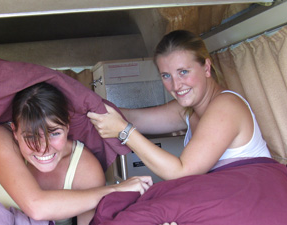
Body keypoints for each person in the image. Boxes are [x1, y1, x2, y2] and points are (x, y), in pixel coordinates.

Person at [0, 81, 190, 225]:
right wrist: (113, 189)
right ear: (14, 131)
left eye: (55, 133)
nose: (43, 149)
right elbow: (37, 207)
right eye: (31, 136)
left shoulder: (84, 167)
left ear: (68, 126)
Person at [87, 30, 271, 181]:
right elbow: (135, 118)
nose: (175, 86)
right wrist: (86, 108)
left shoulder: (226, 106)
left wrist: (124, 132)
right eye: (166, 76)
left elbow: (182, 171)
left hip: (254, 202)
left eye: (183, 72)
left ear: (206, 68)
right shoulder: (187, 109)